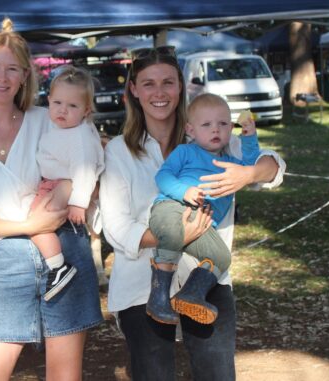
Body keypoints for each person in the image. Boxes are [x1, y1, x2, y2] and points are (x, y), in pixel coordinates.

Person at [99, 46, 286, 381]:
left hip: (206, 277)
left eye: (168, 82)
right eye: (148, 83)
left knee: (217, 373)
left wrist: (249, 174)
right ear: (134, 90)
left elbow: (275, 166)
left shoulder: (216, 138)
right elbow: (115, 226)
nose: (159, 93)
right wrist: (175, 235)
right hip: (142, 283)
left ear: (181, 86)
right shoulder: (119, 150)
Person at [0, 19, 103, 381]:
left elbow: (90, 158)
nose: (2, 77)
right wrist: (29, 225)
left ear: (25, 75)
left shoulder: (50, 118)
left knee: (64, 377)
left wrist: (68, 191)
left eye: (12, 69)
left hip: (67, 254)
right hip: (8, 257)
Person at [147, 95, 260, 326]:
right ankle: (158, 298)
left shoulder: (230, 164)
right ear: (191, 129)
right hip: (172, 207)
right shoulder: (184, 152)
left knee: (221, 256)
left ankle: (191, 294)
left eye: (223, 124)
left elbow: (251, 169)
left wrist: (249, 138)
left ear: (231, 127)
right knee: (171, 232)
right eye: (206, 125)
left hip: (204, 224)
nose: (215, 130)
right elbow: (163, 176)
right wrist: (183, 192)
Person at [32, 65, 105, 301]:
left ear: (86, 110)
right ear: (49, 100)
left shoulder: (80, 137)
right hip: (53, 184)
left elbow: (85, 171)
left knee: (35, 223)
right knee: (35, 223)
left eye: (72, 106)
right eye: (58, 103)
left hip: (65, 188)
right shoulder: (59, 127)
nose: (63, 110)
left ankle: (57, 266)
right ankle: (54, 263)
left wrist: (78, 203)